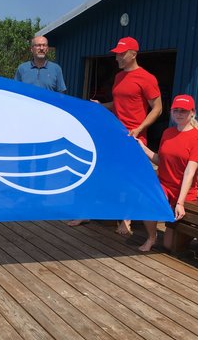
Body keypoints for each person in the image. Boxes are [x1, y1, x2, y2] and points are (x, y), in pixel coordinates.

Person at [68, 37, 162, 231]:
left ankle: (126, 218)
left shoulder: (147, 78)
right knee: (97, 171)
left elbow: (158, 108)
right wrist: (101, 106)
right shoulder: (119, 77)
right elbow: (117, 104)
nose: (117, 57)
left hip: (133, 137)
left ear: (133, 54)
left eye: (121, 53)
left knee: (130, 178)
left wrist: (139, 128)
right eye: (116, 53)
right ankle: (87, 213)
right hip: (115, 133)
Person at [136, 94, 198, 251]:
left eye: (184, 111)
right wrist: (142, 147)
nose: (179, 114)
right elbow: (161, 161)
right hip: (165, 185)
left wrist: (180, 202)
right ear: (171, 112)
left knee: (170, 245)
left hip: (185, 191)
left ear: (192, 113)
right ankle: (151, 237)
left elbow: (190, 172)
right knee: (146, 201)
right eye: (176, 110)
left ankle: (195, 232)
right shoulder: (167, 133)